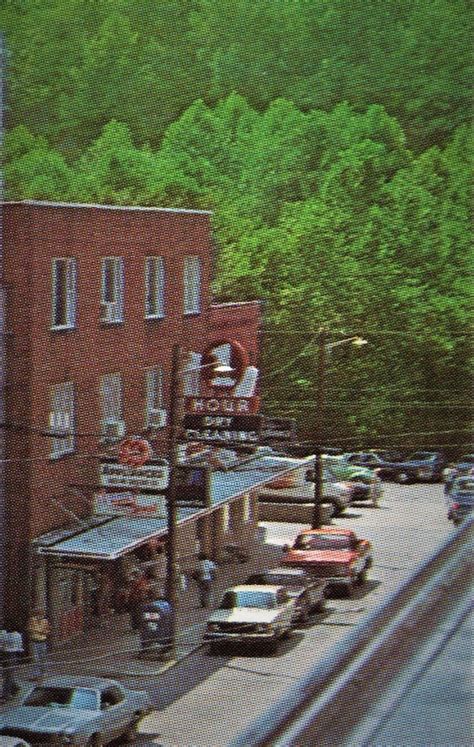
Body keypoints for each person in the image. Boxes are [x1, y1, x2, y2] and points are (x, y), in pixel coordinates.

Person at [27, 609, 51, 680]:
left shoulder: (45, 621)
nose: (41, 616)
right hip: (34, 641)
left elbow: (48, 630)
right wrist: (40, 631)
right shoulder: (32, 620)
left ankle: (43, 674)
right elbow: (30, 629)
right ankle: (35, 676)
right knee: (35, 659)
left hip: (42, 641)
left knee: (43, 658)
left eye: (42, 614)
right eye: (39, 614)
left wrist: (43, 632)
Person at [1, 629, 23, 700]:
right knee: (9, 674)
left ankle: (12, 689)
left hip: (4, 655)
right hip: (12, 655)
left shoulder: (2, 633)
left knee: (7, 674)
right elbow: (19, 648)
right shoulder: (17, 635)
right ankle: (7, 694)